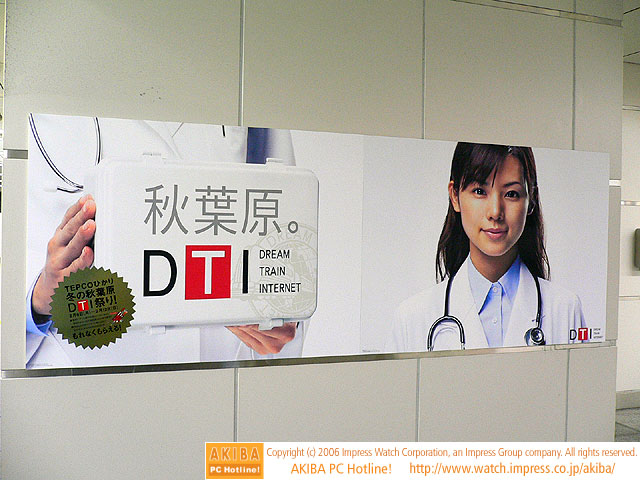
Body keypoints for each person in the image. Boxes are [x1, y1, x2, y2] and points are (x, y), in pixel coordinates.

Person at [26, 116, 304, 367]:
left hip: (219, 369)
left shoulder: (252, 87)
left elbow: (285, 230)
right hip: (82, 372)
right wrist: (36, 300)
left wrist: (282, 315)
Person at [388, 143, 585, 352]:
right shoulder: (411, 319)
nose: (495, 212)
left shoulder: (565, 310)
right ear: (455, 196)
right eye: (480, 191)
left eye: (511, 194)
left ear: (531, 200)